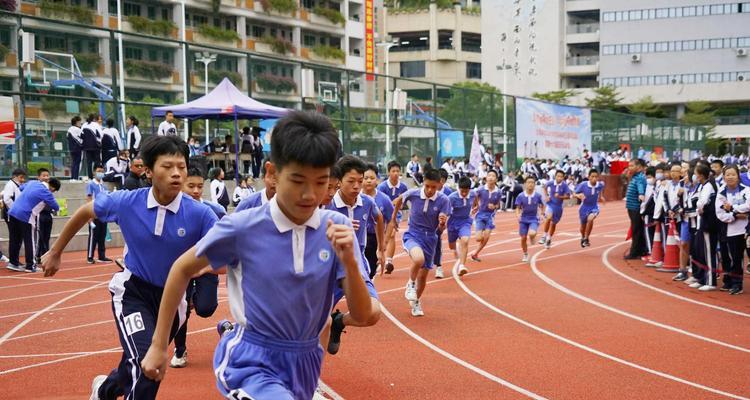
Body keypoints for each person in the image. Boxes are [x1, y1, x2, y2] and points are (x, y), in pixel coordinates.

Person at [139, 111, 375, 400]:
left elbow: (364, 315)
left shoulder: (336, 229)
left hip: (306, 361)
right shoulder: (243, 227)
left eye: (320, 182)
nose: (309, 194)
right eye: (298, 180)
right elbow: (181, 268)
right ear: (273, 172)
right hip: (250, 360)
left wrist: (350, 262)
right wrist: (159, 345)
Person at [41, 135, 218, 400]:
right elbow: (85, 212)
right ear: (147, 171)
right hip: (133, 293)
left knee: (134, 364)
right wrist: (55, 252)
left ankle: (103, 390)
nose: (176, 174)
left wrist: (208, 267)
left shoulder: (200, 214)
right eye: (167, 167)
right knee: (150, 364)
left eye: (181, 167)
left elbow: (225, 251)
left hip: (172, 302)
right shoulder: (127, 202)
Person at [325, 155, 384, 355]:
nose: (357, 186)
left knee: (372, 314)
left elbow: (379, 218)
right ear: (339, 180)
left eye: (360, 181)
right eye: (352, 181)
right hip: (329, 268)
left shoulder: (367, 202)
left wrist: (381, 249)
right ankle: (312, 379)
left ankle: (340, 321)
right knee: (316, 325)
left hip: (357, 266)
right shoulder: (327, 203)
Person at [170, 166, 225, 369]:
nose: (195, 190)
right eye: (190, 186)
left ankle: (193, 298)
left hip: (205, 267)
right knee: (179, 310)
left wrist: (209, 267)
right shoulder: (172, 210)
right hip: (181, 268)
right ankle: (180, 350)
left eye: (200, 186)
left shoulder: (215, 211)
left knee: (206, 309)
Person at [390, 168, 451, 317]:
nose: (430, 190)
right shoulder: (413, 193)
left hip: (430, 238)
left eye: (433, 187)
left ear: (439, 184)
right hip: (413, 234)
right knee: (418, 259)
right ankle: (410, 284)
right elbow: (398, 200)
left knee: (423, 277)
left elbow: (441, 229)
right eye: (427, 186)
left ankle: (416, 301)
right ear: (423, 182)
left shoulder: (443, 200)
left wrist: (442, 224)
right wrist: (393, 218)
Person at [7, 178, 60, 272]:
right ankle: (30, 265)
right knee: (30, 241)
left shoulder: (33, 182)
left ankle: (13, 263)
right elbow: (56, 207)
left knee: (14, 239)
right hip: (26, 215)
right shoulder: (46, 192)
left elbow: (21, 187)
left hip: (13, 211)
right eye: (54, 191)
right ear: (52, 188)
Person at [715, 165, 748, 295]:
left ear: (738, 176)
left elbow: (748, 205)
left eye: (733, 174)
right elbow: (721, 213)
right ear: (724, 177)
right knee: (734, 257)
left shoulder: (746, 190)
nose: (730, 177)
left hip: (746, 229)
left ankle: (735, 282)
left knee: (741, 257)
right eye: (727, 174)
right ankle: (736, 284)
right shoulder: (722, 193)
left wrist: (733, 208)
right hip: (731, 229)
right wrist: (735, 215)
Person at [688, 163, 719, 291]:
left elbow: (702, 203)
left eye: (695, 173)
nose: (694, 176)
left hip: (708, 224)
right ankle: (702, 278)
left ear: (700, 175)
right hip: (702, 223)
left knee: (708, 252)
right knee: (700, 252)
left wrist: (699, 207)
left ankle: (711, 281)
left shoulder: (708, 186)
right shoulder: (703, 185)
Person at [362, 163, 393, 279]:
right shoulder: (356, 197)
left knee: (371, 270)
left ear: (377, 180)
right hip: (359, 236)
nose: (369, 181)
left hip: (375, 238)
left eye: (372, 178)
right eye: (366, 178)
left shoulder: (384, 199)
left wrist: (385, 240)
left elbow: (390, 220)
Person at [377, 161, 408, 273]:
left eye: (397, 171)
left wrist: (399, 203)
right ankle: (379, 254)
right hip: (382, 214)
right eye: (393, 171)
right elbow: (379, 201)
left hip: (395, 215)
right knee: (381, 235)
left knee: (392, 235)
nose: (395, 173)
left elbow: (405, 203)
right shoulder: (382, 187)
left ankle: (389, 261)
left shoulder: (403, 187)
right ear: (388, 172)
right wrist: (391, 202)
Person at [470, 170, 502, 262]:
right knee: (478, 238)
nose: (491, 177)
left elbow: (498, 205)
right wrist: (475, 206)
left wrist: (494, 206)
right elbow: (474, 197)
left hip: (490, 216)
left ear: (496, 179)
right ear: (486, 178)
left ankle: (475, 253)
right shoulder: (480, 189)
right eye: (489, 175)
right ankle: (480, 231)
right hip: (480, 215)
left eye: (493, 176)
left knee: (486, 237)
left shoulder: (498, 192)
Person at [447, 176, 477, 276]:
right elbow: (445, 209)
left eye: (466, 191)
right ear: (458, 188)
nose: (464, 193)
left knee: (465, 240)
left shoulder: (473, 194)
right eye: (462, 191)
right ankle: (455, 248)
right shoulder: (452, 197)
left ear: (469, 189)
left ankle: (462, 265)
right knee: (451, 246)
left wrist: (475, 207)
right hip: (452, 222)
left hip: (465, 221)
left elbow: (476, 200)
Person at [538, 170, 572, 250]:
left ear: (563, 178)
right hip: (550, 204)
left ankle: (549, 238)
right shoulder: (551, 182)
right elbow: (545, 187)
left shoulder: (564, 186)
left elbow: (568, 196)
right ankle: (544, 236)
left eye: (561, 176)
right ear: (555, 176)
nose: (559, 178)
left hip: (558, 207)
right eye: (558, 176)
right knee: (548, 218)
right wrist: (546, 196)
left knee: (553, 224)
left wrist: (560, 197)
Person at [86, 164, 112, 264]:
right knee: (94, 235)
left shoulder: (103, 184)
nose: (100, 173)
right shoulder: (91, 184)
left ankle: (102, 255)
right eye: (98, 171)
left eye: (102, 171)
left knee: (102, 235)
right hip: (94, 212)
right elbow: (89, 198)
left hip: (103, 214)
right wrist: (89, 214)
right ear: (94, 172)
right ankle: (90, 256)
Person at [515, 176, 544, 263]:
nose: (530, 184)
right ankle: (525, 253)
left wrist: (542, 214)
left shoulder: (538, 195)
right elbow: (517, 207)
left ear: (535, 185)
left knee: (532, 233)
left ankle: (532, 237)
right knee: (523, 238)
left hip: (533, 218)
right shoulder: (520, 196)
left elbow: (542, 205)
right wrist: (517, 215)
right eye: (528, 182)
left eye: (532, 182)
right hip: (523, 219)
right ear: (525, 184)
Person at [574, 169, 606, 248]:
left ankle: (586, 238)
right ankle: (582, 237)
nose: (594, 178)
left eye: (596, 177)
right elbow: (574, 193)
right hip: (584, 207)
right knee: (582, 227)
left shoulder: (600, 184)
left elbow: (601, 189)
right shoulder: (583, 185)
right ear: (589, 177)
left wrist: (601, 196)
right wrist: (578, 195)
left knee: (590, 219)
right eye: (592, 176)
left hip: (594, 206)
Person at [625, 159, 648, 260]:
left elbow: (641, 188)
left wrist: (641, 194)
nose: (629, 168)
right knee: (637, 229)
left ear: (638, 167)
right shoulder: (635, 177)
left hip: (636, 208)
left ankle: (634, 252)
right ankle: (641, 250)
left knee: (636, 230)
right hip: (631, 207)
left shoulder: (640, 178)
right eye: (629, 166)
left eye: (631, 166)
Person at [432, 168, 453, 278]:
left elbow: (452, 209)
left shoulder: (449, 193)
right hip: (428, 220)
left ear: (443, 181)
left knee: (437, 241)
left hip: (441, 221)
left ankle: (438, 267)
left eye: (437, 179)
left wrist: (445, 222)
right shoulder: (430, 189)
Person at [35, 168, 54, 264]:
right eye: (44, 175)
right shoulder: (37, 187)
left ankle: (45, 255)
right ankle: (38, 256)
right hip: (39, 215)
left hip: (48, 215)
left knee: (47, 237)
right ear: (38, 177)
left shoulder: (49, 188)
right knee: (40, 237)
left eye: (47, 175)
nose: (46, 177)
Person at [81, 113, 103, 180]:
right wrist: (99, 141)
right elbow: (101, 135)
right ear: (94, 119)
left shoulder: (84, 125)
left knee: (89, 162)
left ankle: (90, 177)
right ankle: (98, 177)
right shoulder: (96, 125)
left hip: (87, 147)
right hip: (95, 146)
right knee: (97, 162)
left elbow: (81, 135)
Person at [67, 116, 84, 181]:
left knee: (74, 163)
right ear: (76, 122)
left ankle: (72, 177)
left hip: (71, 149)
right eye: (79, 122)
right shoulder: (78, 129)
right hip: (78, 148)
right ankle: (75, 178)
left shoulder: (69, 129)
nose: (80, 123)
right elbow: (83, 137)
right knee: (77, 163)